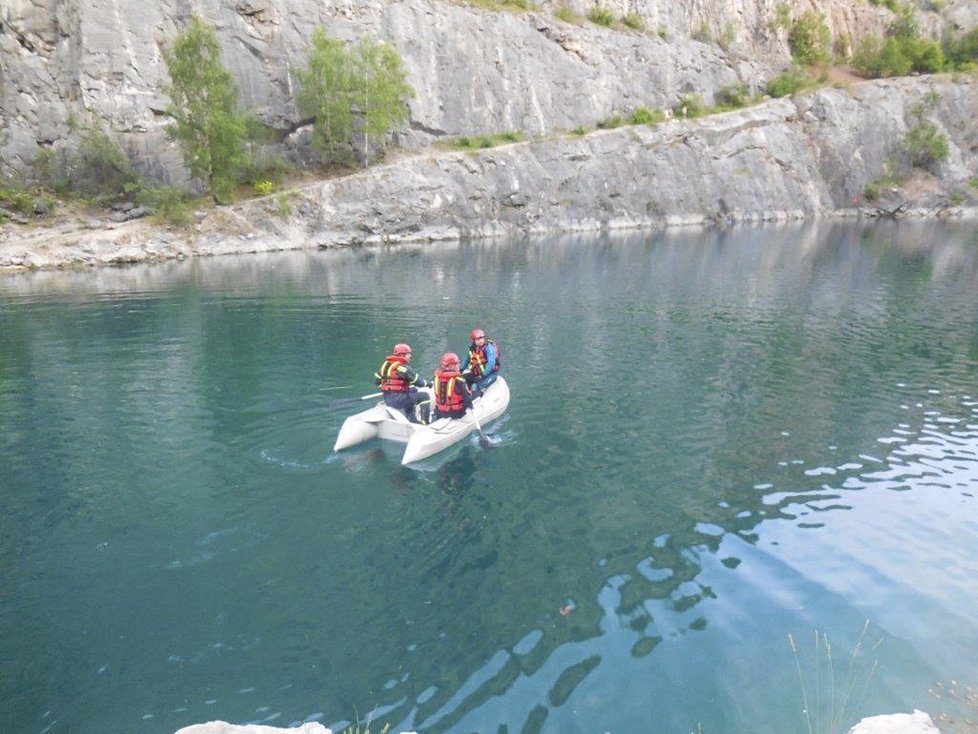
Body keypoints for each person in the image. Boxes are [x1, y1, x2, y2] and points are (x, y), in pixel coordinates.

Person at [374, 342, 430, 424]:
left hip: (387, 398)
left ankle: (411, 418)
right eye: (408, 354)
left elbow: (376, 381)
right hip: (398, 400)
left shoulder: (386, 366)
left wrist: (386, 388)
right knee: (425, 396)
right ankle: (425, 422)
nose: (410, 356)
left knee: (413, 390)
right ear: (402, 355)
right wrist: (428, 384)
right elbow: (418, 382)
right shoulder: (404, 368)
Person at [432, 352, 474, 420]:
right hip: (455, 413)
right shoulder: (459, 380)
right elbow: (467, 400)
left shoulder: (436, 377)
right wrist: (470, 404)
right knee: (476, 393)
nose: (459, 365)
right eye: (457, 364)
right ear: (451, 366)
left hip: (439, 411)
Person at [460, 328, 500, 396]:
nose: (481, 340)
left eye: (482, 338)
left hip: (489, 374)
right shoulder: (473, 349)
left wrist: (482, 375)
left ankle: (475, 398)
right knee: (460, 380)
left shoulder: (489, 348)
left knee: (474, 387)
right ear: (474, 340)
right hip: (476, 374)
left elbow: (491, 362)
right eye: (478, 339)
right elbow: (466, 360)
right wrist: (460, 370)